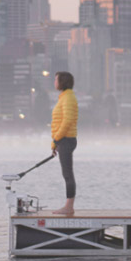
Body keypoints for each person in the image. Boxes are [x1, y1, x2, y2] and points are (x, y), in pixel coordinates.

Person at [50, 71, 79, 215]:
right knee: (66, 173)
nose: (54, 82)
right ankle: (69, 206)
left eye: (56, 79)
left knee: (67, 174)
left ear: (62, 82)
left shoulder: (68, 97)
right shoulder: (64, 97)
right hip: (64, 140)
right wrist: (55, 144)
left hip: (66, 139)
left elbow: (67, 121)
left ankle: (69, 207)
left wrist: (57, 139)